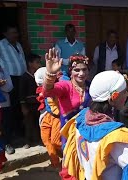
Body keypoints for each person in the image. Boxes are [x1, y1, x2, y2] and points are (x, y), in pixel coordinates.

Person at [43, 48, 92, 177]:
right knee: (72, 167)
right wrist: (50, 74)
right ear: (70, 71)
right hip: (70, 135)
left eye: (84, 70)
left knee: (88, 165)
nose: (81, 73)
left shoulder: (91, 86)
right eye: (77, 70)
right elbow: (47, 92)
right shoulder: (65, 86)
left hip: (88, 133)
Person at [35, 67, 62, 169]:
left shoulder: (58, 87)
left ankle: (69, 157)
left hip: (56, 117)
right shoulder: (40, 89)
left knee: (56, 141)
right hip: (45, 116)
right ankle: (55, 163)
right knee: (46, 140)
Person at [19, 53, 42, 148]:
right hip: (29, 104)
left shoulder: (39, 76)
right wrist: (23, 106)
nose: (39, 65)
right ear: (30, 64)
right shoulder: (24, 77)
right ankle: (27, 141)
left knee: (39, 122)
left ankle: (40, 139)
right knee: (28, 123)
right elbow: (21, 93)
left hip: (39, 104)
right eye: (37, 62)